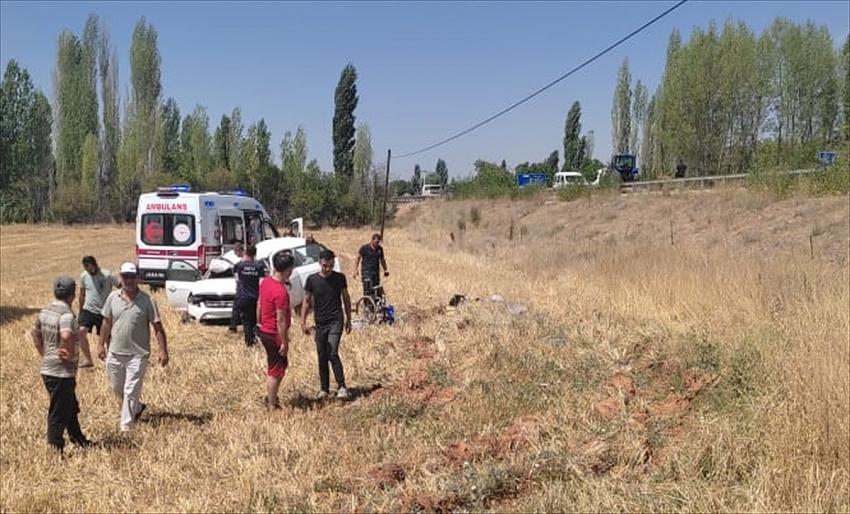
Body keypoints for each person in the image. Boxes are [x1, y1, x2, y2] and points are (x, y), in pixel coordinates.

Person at [98, 262, 169, 432]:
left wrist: (163, 350)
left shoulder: (147, 301)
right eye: (125, 277)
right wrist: (100, 345)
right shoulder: (112, 298)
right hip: (115, 352)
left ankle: (126, 428)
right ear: (120, 278)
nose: (128, 280)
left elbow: (157, 328)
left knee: (130, 391)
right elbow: (106, 323)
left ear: (137, 278)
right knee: (118, 388)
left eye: (131, 277)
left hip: (138, 355)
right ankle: (137, 408)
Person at [32, 276, 92, 452]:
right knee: (59, 410)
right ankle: (55, 447)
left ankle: (78, 438)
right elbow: (66, 335)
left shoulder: (45, 311)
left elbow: (34, 333)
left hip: (48, 369)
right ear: (72, 294)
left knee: (70, 406)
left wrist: (45, 353)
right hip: (61, 372)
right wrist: (68, 352)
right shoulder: (66, 315)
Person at [301, 249, 352, 400]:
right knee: (322, 355)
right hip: (320, 322)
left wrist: (349, 319)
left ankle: (342, 386)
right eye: (325, 266)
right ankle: (324, 389)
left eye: (330, 265)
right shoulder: (312, 280)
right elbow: (306, 301)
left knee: (332, 352)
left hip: (336, 320)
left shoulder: (339, 278)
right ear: (319, 263)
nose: (328, 269)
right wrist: (303, 322)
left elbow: (346, 298)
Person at [256, 252, 295, 410]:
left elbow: (259, 304)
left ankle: (272, 397)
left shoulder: (265, 282)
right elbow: (281, 319)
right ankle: (272, 403)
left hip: (265, 330)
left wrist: (259, 322)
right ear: (288, 269)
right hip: (274, 334)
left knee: (279, 366)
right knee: (276, 370)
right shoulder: (281, 292)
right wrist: (284, 342)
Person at [78, 256, 120, 368]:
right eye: (86, 268)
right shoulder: (84, 276)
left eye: (90, 268)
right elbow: (82, 294)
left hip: (104, 311)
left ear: (95, 264)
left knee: (107, 337)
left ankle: (110, 361)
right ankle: (88, 360)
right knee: (81, 332)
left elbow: (120, 287)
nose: (89, 271)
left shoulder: (107, 275)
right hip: (88, 309)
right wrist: (81, 311)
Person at [233, 244, 266, 347]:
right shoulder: (259, 266)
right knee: (255, 320)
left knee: (246, 322)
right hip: (255, 297)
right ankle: (256, 338)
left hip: (243, 296)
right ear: (255, 254)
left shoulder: (238, 266)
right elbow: (261, 283)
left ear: (245, 252)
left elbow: (237, 281)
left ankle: (249, 343)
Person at [353, 233, 389, 299]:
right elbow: (357, 258)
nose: (377, 244)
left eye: (378, 242)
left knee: (376, 288)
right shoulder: (364, 248)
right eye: (376, 242)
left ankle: (376, 305)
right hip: (366, 272)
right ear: (372, 240)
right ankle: (367, 305)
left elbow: (382, 260)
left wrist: (385, 269)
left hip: (375, 272)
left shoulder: (380, 249)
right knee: (367, 289)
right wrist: (356, 269)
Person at [228, 243, 245, 333]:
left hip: (241, 288)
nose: (235, 254)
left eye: (236, 251)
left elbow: (237, 278)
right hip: (245, 288)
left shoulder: (240, 263)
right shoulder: (240, 261)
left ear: (239, 250)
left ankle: (233, 326)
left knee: (237, 307)